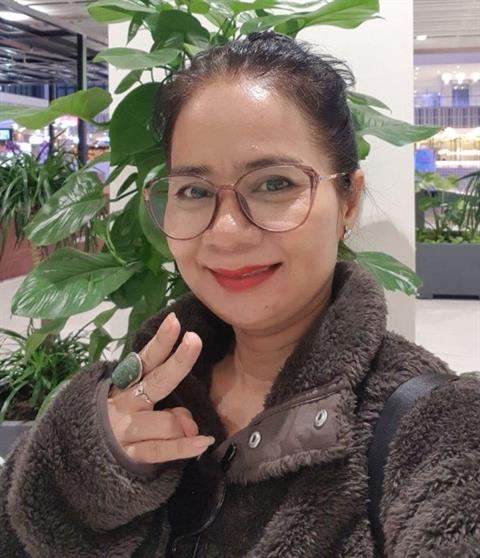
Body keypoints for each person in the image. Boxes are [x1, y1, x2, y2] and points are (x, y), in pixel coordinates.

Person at [1, 31, 479, 558]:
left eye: (274, 184)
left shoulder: (438, 429)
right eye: (194, 191)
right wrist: (86, 471)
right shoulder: (133, 399)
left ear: (348, 201)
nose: (225, 232)